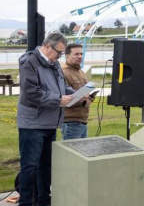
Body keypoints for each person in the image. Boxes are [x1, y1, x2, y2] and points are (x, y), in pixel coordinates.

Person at [17, 31, 78, 206]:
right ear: (47, 46)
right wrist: (58, 100)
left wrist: (77, 95)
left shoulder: (54, 63)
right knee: (30, 167)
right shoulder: (30, 62)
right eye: (58, 52)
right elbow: (31, 93)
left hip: (51, 123)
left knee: (46, 166)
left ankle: (44, 201)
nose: (59, 57)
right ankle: (26, 202)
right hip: (32, 125)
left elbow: (61, 86)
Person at [61, 43, 94, 140]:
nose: (80, 57)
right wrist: (84, 100)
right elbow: (63, 99)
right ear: (67, 56)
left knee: (81, 152)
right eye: (76, 54)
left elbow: (85, 92)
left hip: (82, 120)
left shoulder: (80, 72)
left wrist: (90, 97)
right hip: (71, 121)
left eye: (81, 54)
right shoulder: (63, 73)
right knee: (71, 153)